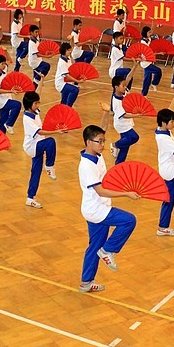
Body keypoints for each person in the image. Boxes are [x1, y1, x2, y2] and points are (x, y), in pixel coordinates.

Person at [77, 125, 139, 293]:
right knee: (129, 220)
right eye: (99, 141)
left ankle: (86, 282)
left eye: (104, 141)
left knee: (94, 246)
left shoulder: (97, 155)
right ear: (88, 142)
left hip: (98, 207)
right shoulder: (87, 166)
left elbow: (106, 181)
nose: (103, 145)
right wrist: (126, 194)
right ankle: (108, 250)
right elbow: (100, 191)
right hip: (97, 210)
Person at [22, 91, 61, 209]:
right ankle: (49, 166)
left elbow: (37, 92)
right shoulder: (27, 119)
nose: (38, 105)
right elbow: (40, 132)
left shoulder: (35, 111)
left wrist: (41, 81)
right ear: (29, 105)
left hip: (38, 144)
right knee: (50, 142)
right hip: (32, 146)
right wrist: (56, 132)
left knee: (36, 172)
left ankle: (30, 198)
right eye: (36, 103)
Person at [109, 75, 140, 165]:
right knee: (134, 137)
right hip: (122, 125)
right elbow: (124, 115)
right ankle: (115, 145)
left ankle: (119, 164)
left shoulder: (123, 93)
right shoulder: (117, 101)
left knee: (125, 146)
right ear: (116, 87)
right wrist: (136, 115)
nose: (125, 87)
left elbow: (128, 78)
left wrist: (134, 67)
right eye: (123, 86)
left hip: (126, 123)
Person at [0, 54, 22, 134]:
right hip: (0, 100)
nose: (4, 65)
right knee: (17, 105)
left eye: (4, 63)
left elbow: (10, 61)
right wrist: (11, 91)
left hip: (7, 98)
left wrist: (6, 51)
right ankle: (9, 124)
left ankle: (0, 138)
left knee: (2, 122)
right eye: (2, 64)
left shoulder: (4, 71)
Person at [55, 42, 82, 107]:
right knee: (75, 90)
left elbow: (74, 64)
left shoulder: (68, 58)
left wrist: (71, 56)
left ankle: (62, 110)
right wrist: (78, 81)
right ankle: (69, 107)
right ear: (64, 50)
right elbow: (67, 76)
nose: (70, 51)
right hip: (61, 84)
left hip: (66, 82)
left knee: (63, 102)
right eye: (68, 50)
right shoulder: (62, 62)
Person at [138, 26, 162, 96]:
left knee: (147, 79)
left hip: (149, 61)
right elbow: (148, 53)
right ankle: (154, 83)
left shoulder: (149, 39)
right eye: (149, 32)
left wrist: (153, 28)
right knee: (158, 71)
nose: (150, 33)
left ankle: (144, 94)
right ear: (145, 33)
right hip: (145, 62)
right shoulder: (143, 43)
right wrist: (159, 53)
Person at [26, 25, 50, 89]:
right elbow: (37, 54)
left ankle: (33, 90)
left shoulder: (36, 39)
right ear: (31, 33)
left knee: (35, 83)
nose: (37, 34)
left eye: (37, 32)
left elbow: (40, 29)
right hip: (34, 61)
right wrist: (46, 56)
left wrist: (38, 22)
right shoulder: (32, 43)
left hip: (37, 60)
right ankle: (37, 79)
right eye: (36, 32)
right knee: (46, 66)